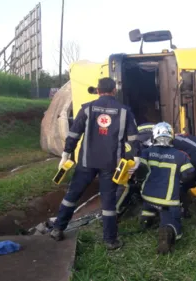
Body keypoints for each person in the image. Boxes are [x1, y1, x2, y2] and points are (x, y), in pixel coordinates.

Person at [51, 77, 140, 251]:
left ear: (98, 91)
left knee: (72, 196)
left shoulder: (87, 109)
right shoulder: (124, 112)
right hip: (111, 164)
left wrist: (66, 154)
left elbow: (74, 134)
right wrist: (136, 157)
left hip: (86, 163)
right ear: (114, 91)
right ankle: (110, 241)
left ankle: (57, 229)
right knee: (108, 203)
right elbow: (134, 138)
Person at [136, 122, 195, 254]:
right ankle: (168, 229)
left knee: (149, 207)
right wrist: (180, 180)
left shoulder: (147, 152)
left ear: (154, 136)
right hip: (168, 201)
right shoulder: (180, 155)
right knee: (171, 219)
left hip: (147, 197)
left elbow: (141, 170)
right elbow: (190, 173)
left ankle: (147, 219)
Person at [115, 122, 154, 219]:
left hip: (124, 153)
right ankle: (113, 212)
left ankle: (112, 211)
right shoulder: (160, 135)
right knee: (125, 184)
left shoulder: (137, 131)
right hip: (131, 155)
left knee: (123, 183)